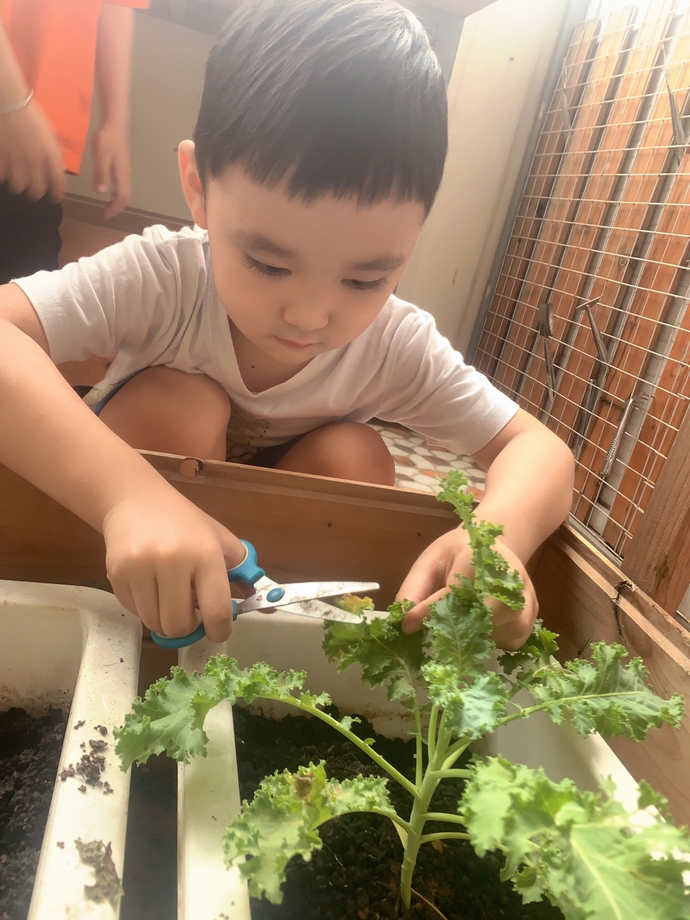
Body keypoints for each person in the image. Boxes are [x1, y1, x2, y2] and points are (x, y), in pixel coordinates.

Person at [0, 0, 574, 649]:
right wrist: (127, 498)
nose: (310, 315)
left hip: (266, 561)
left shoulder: (395, 344)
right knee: (181, 405)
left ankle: (278, 643)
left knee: (355, 454)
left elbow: (538, 449)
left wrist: (496, 540)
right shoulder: (164, 278)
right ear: (198, 187)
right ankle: (131, 629)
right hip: (124, 541)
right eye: (268, 264)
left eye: (366, 279)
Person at [0, 0, 147, 283]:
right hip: (16, 109)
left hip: (41, 129)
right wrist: (10, 103)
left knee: (29, 282)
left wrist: (115, 118)